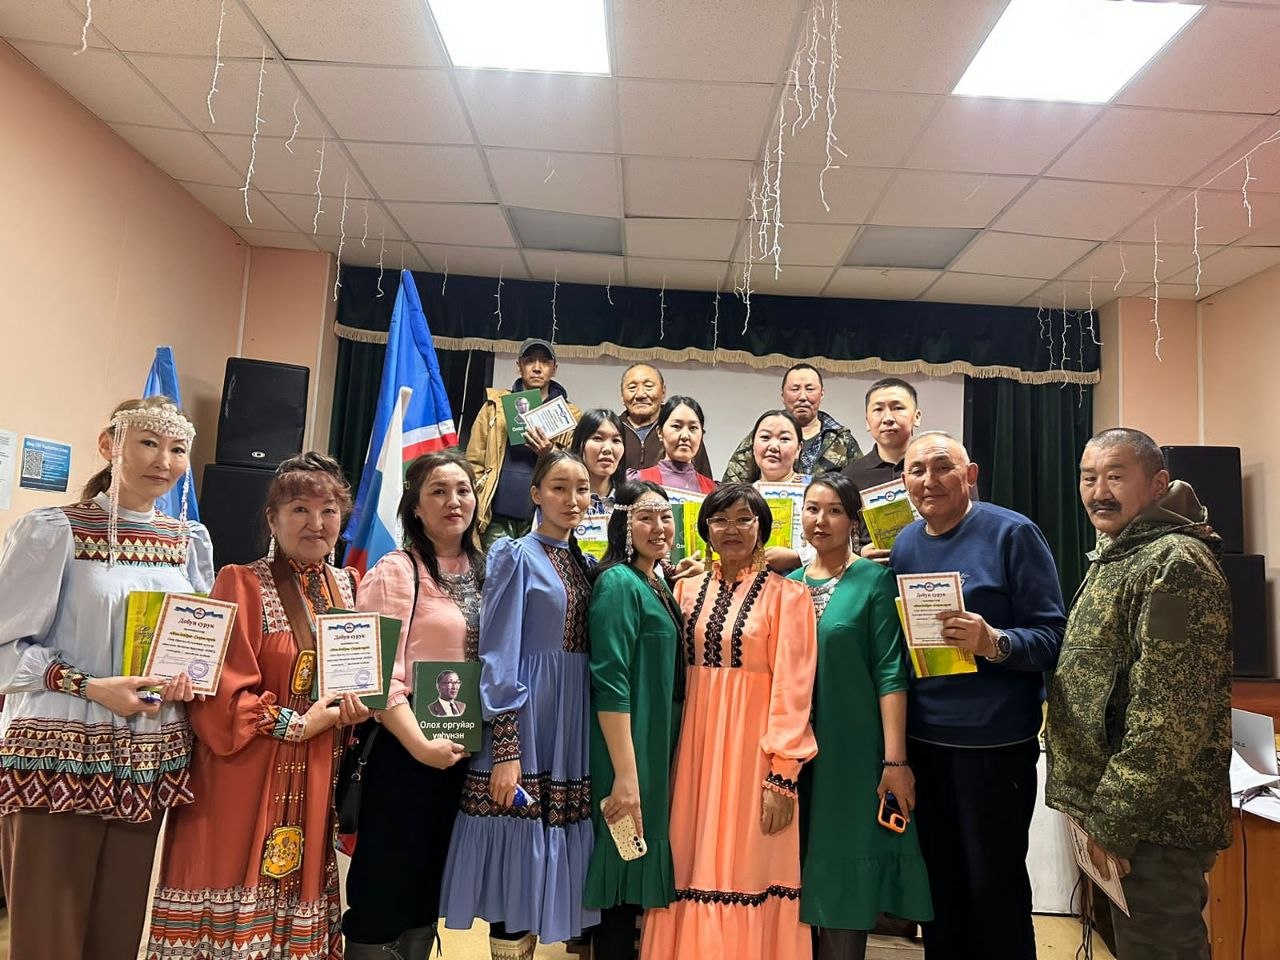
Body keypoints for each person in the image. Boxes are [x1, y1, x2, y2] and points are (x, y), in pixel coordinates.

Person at [0, 396, 212, 960]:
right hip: (59, 755)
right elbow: (5, 646)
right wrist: (89, 686)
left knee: (117, 928)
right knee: (49, 931)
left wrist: (188, 678)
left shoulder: (187, 541)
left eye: (177, 449)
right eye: (148, 443)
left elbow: (196, 638)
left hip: (147, 755)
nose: (163, 461)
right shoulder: (55, 530)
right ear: (109, 445)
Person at [148, 452, 369, 960]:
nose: (316, 523)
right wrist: (297, 723)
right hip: (243, 772)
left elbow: (349, 678)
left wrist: (355, 708)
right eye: (300, 509)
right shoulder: (241, 582)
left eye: (329, 510)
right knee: (232, 881)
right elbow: (219, 695)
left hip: (316, 772)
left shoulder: (347, 586)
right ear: (273, 519)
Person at [1046, 428, 1232, 960]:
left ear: (1157, 483)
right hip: (1112, 817)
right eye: (1088, 478)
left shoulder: (1175, 565)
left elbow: (1170, 714)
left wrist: (1115, 820)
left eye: (1115, 476)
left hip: (1151, 826)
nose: (1099, 492)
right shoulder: (1117, 556)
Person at [889, 432, 1066, 960]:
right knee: (940, 890)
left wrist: (995, 642)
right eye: (916, 470)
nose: (929, 480)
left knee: (996, 888)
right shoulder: (905, 544)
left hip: (994, 746)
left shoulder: (1013, 534)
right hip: (926, 742)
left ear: (970, 475)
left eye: (942, 467)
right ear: (904, 482)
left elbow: (1054, 637)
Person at [640, 483, 818, 960]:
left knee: (749, 865)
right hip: (692, 753)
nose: (732, 529)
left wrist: (783, 774)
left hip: (754, 755)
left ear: (763, 526)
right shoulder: (682, 590)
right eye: (720, 520)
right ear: (705, 530)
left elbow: (794, 689)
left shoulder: (789, 596)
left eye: (744, 518)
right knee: (688, 856)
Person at [441, 451, 597, 959]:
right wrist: (506, 747)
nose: (572, 499)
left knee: (541, 864)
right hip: (525, 718)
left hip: (568, 722)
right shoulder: (515, 555)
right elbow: (498, 649)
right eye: (558, 488)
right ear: (535, 494)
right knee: (514, 859)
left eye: (581, 488)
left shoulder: (584, 563)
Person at [343, 451, 485, 959]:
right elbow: (376, 675)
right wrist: (421, 746)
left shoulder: (488, 568)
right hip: (404, 751)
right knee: (386, 882)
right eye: (438, 492)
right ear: (416, 507)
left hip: (465, 752)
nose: (453, 501)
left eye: (463, 490)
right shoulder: (397, 570)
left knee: (428, 885)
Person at [789, 474, 932, 960]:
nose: (821, 520)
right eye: (812, 509)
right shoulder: (788, 586)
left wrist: (895, 761)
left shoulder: (873, 581)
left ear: (854, 520)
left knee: (842, 868)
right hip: (791, 754)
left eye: (834, 510)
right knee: (793, 869)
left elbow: (891, 674)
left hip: (850, 752)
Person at [585, 482, 684, 960]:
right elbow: (610, 680)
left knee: (634, 869)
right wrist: (626, 776)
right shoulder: (618, 583)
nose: (659, 527)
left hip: (652, 740)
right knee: (620, 879)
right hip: (626, 745)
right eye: (645, 517)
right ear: (623, 523)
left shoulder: (655, 581)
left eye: (665, 517)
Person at [466, 338, 583, 548]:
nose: (537, 368)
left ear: (554, 369)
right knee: (495, 567)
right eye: (529, 361)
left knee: (539, 569)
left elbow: (578, 471)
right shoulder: (494, 407)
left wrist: (550, 453)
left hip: (545, 517)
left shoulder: (570, 415)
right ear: (518, 366)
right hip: (494, 516)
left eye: (545, 362)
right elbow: (473, 461)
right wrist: (475, 500)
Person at [721, 364, 861, 483]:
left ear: (822, 394)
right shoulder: (763, 437)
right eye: (795, 389)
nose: (802, 397)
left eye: (810, 389)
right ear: (783, 395)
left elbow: (858, 488)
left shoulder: (842, 439)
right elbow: (731, 486)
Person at [841, 377, 922, 561]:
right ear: (867, 422)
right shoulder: (850, 476)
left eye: (897, 408)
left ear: (916, 417)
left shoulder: (934, 470)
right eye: (878, 410)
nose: (888, 418)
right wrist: (860, 554)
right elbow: (840, 536)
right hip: (871, 571)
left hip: (929, 567)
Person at [619, 363, 714, 477]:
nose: (640, 394)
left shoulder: (684, 432)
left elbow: (703, 480)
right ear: (622, 395)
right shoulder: (613, 430)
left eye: (648, 386)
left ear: (663, 392)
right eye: (632, 387)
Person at [747, 408, 811, 574]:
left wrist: (798, 557)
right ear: (753, 446)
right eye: (765, 437)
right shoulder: (742, 497)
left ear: (799, 448)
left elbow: (842, 547)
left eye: (784, 439)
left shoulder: (818, 491)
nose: (773, 446)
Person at [631, 396, 716, 495]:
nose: (685, 436)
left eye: (693, 428)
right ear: (659, 432)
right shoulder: (638, 481)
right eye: (676, 426)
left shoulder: (713, 490)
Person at [571, 408, 628, 515]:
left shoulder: (632, 502)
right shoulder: (563, 501)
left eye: (616, 440)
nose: (607, 449)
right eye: (597, 438)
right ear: (580, 444)